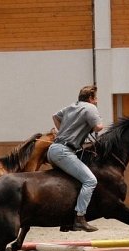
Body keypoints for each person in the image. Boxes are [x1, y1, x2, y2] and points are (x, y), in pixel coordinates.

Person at [47, 85, 104, 232]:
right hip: (64, 152)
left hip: (53, 150)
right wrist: (92, 124)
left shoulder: (72, 106)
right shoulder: (90, 108)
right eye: (95, 98)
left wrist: (63, 131)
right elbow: (99, 127)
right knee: (90, 181)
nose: (96, 101)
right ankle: (79, 217)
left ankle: (66, 220)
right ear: (90, 98)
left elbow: (55, 116)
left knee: (73, 182)